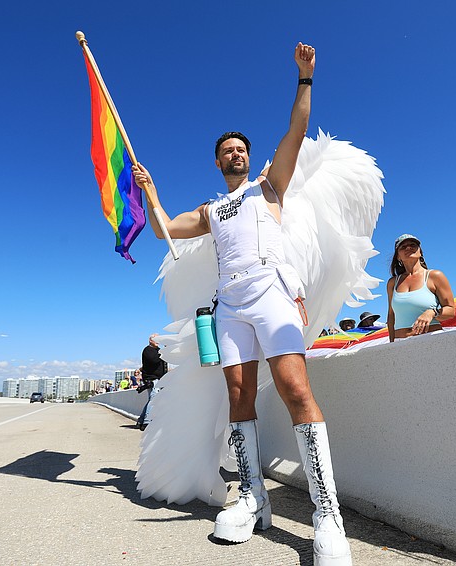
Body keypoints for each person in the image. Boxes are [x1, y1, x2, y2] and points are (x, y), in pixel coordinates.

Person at [132, 43, 351, 565]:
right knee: (238, 395)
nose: (235, 154)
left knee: (297, 387)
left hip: (271, 293)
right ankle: (254, 497)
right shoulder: (211, 210)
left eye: (240, 149)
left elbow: (296, 131)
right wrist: (152, 193)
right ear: (216, 160)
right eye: (227, 150)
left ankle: (327, 514)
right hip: (229, 305)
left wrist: (305, 80)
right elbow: (165, 230)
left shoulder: (268, 187)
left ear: (248, 157)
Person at [386, 234, 455, 342]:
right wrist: (391, 345)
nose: (408, 247)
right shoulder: (392, 283)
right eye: (403, 247)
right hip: (400, 343)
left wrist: (432, 312)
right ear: (398, 256)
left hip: (432, 339)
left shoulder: (435, 276)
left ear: (420, 252)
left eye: (413, 245)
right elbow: (391, 316)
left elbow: (451, 310)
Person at [137, 334, 167, 431]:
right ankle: (146, 422)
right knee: (153, 400)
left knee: (152, 399)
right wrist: (164, 352)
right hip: (152, 379)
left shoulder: (158, 350)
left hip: (158, 378)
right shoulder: (147, 350)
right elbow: (154, 360)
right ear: (150, 340)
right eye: (156, 339)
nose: (158, 341)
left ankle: (140, 420)